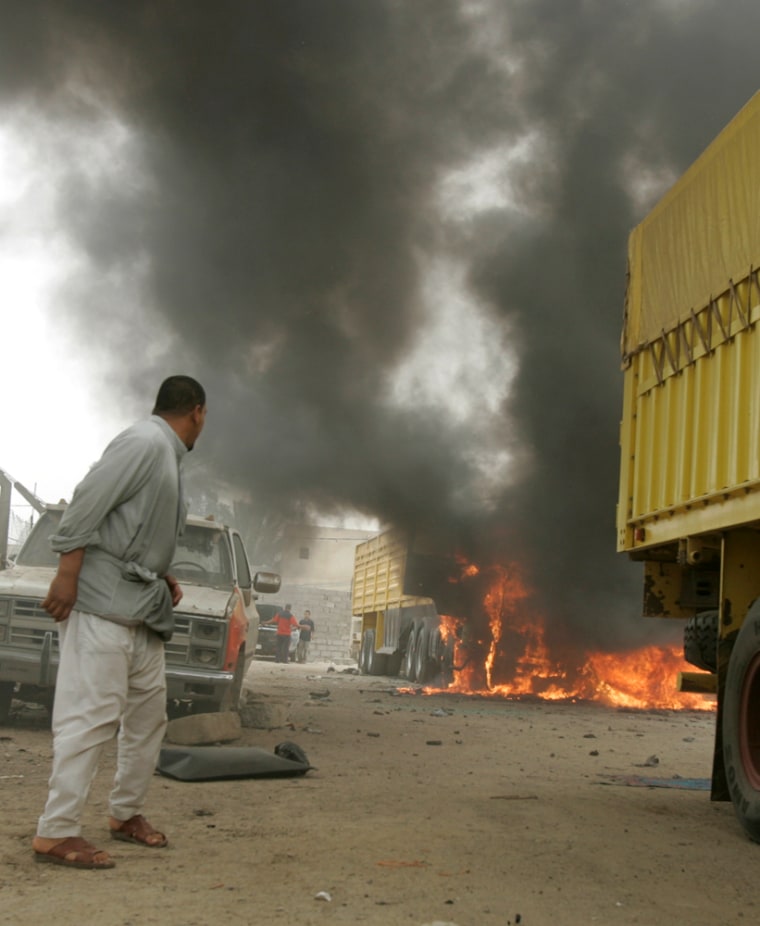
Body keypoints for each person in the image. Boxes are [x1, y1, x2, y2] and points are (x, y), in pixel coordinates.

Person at [31, 375, 207, 870]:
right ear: (197, 412)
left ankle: (125, 813)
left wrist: (160, 572)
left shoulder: (167, 454)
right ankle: (55, 831)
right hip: (102, 606)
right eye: (204, 417)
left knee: (148, 718)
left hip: (142, 608)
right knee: (90, 717)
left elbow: (131, 527)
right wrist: (67, 574)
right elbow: (87, 501)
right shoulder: (144, 441)